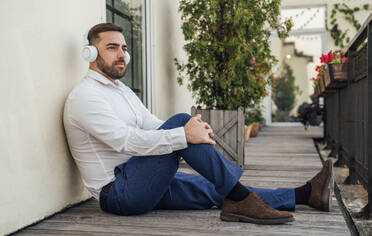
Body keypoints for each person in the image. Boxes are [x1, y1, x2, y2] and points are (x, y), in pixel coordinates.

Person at [63, 23, 333, 225]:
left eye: (123, 47)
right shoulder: (85, 97)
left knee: (217, 189)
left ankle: (306, 194)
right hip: (119, 193)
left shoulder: (121, 90)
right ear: (90, 53)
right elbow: (127, 140)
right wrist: (183, 133)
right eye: (112, 48)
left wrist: (193, 130)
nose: (121, 54)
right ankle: (242, 202)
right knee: (182, 122)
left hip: (142, 175)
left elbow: (151, 123)